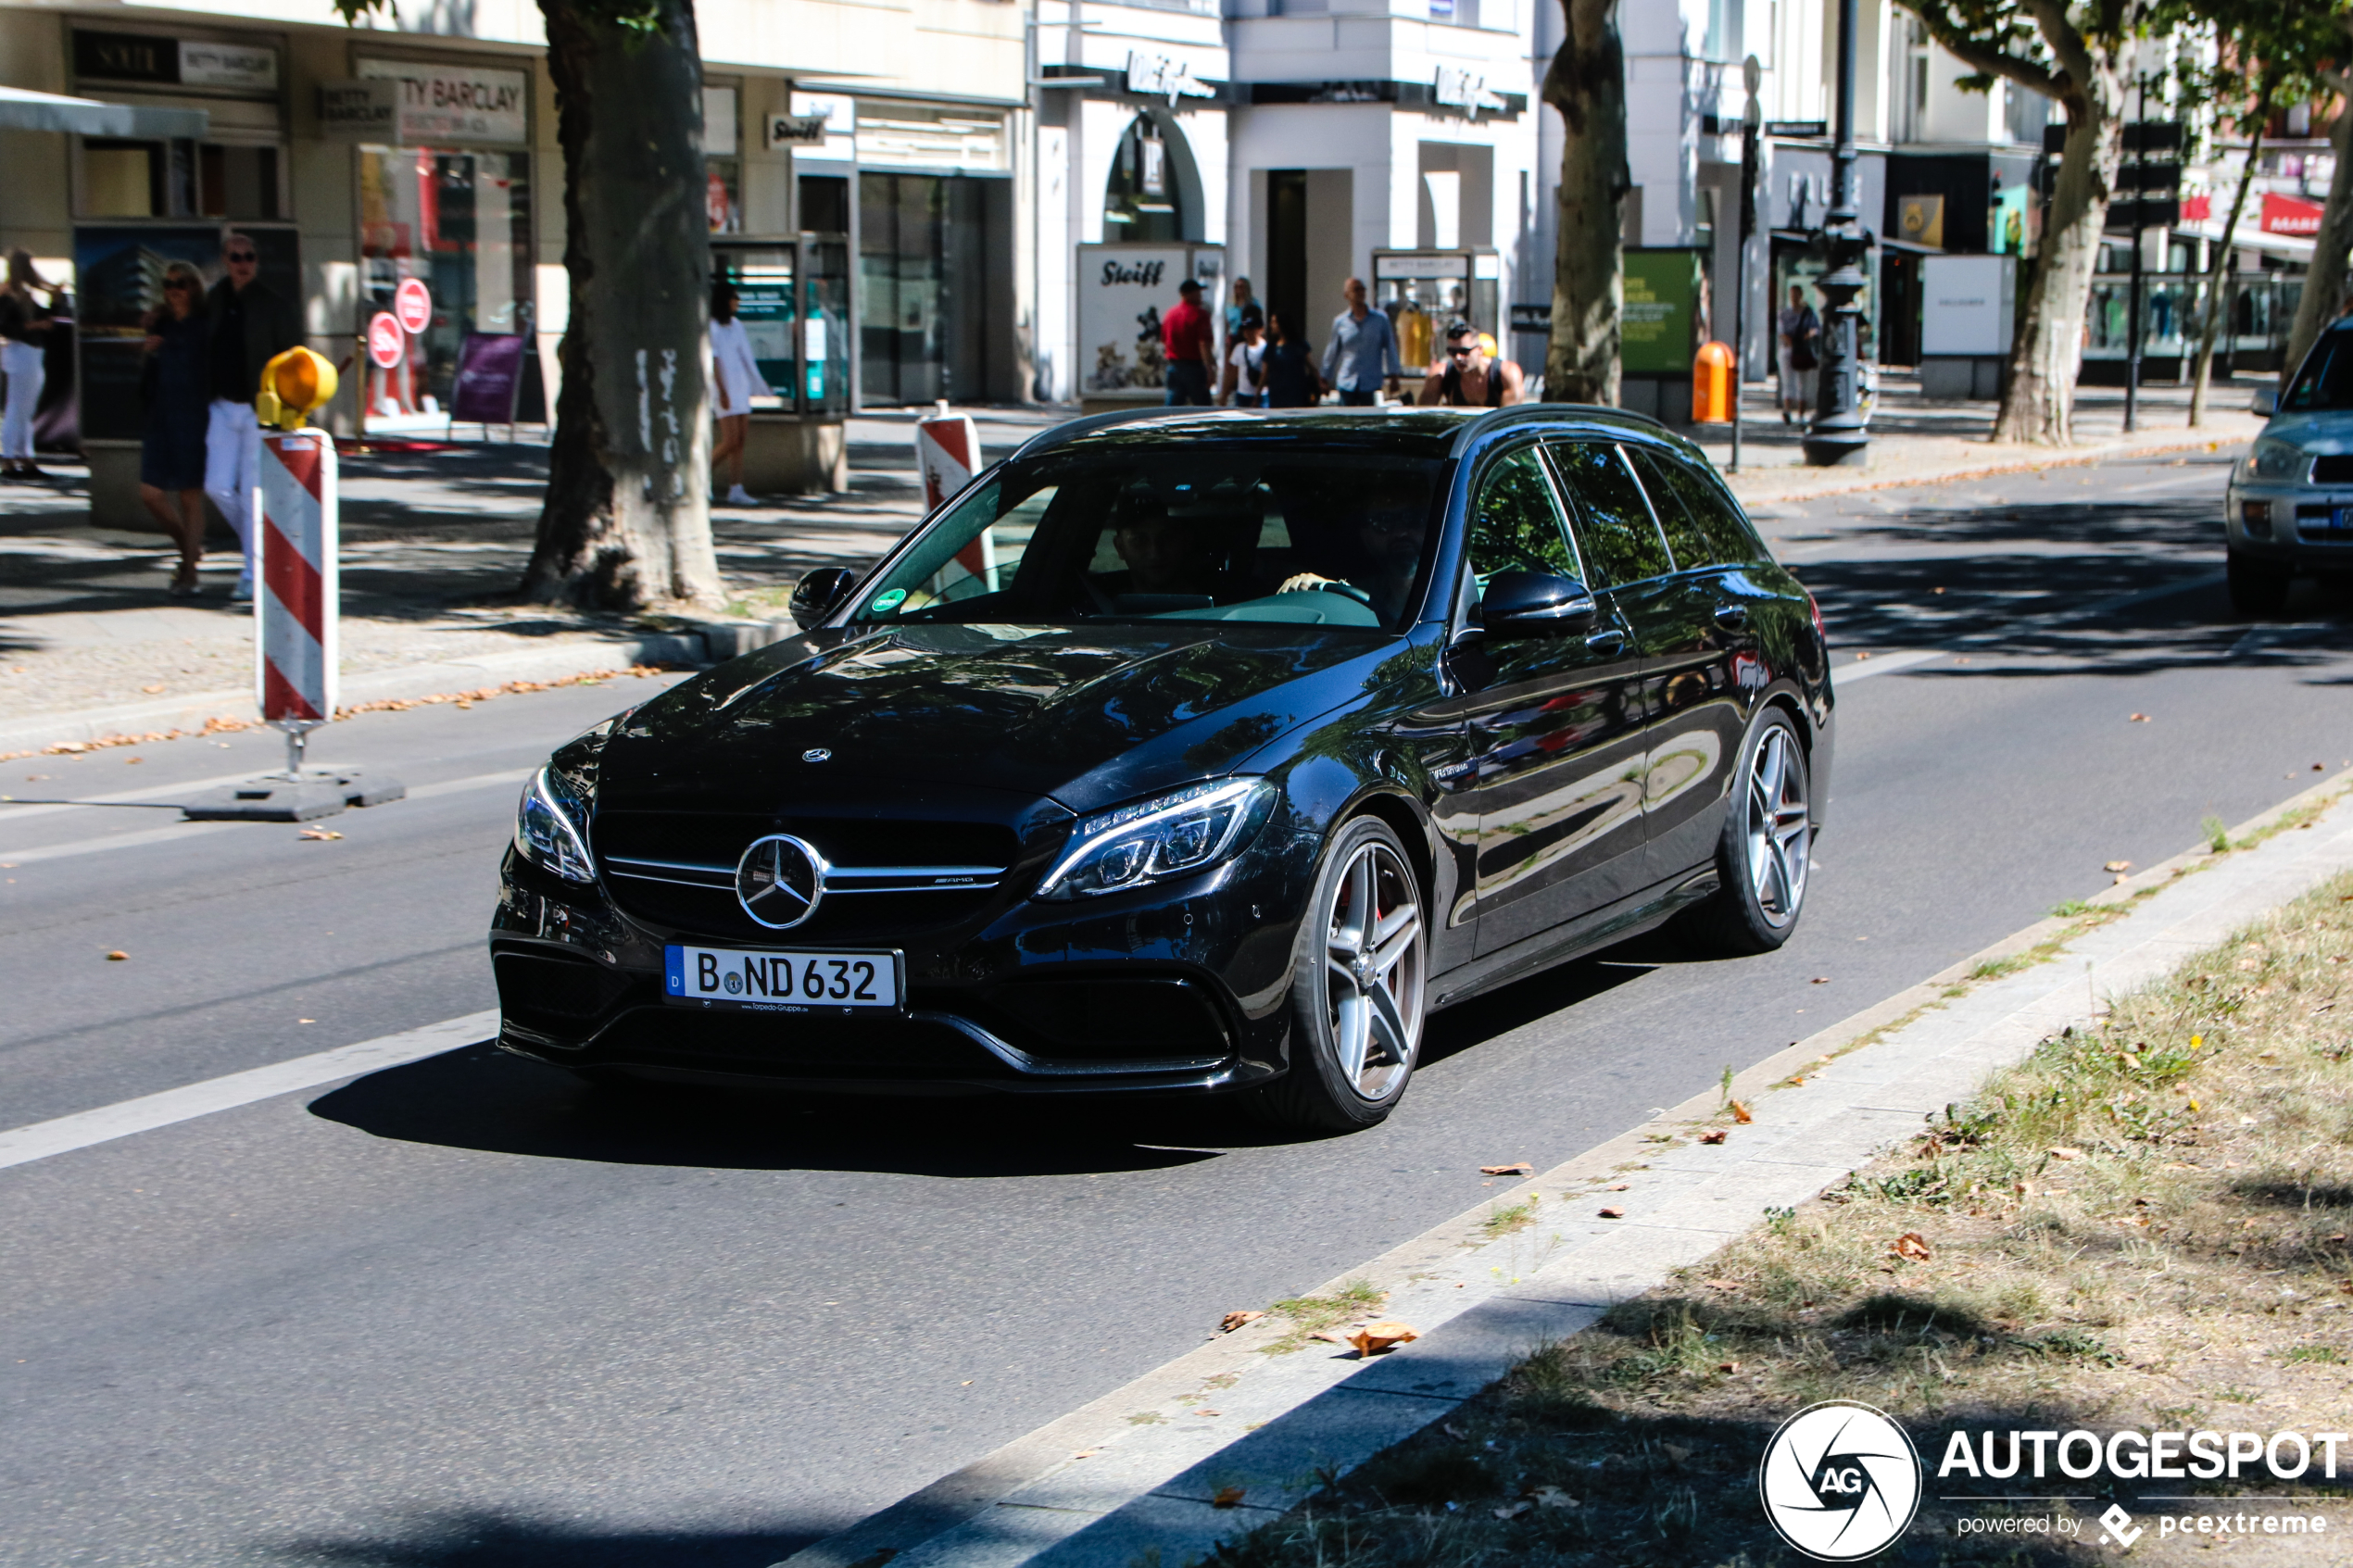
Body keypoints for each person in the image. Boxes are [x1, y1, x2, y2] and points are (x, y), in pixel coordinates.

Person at [204, 232, 302, 603]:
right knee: (217, 486)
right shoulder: (213, 299)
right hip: (221, 404)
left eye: (248, 257)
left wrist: (289, 406)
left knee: (250, 491)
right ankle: (258, 547)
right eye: (235, 258)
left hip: (259, 408)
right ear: (225, 262)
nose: (242, 264)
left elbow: (293, 357)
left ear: (256, 262)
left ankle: (252, 572)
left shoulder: (272, 304)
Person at [140, 262, 212, 597]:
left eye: (181, 283)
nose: (174, 289)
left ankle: (189, 572)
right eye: (168, 283)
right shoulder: (162, 323)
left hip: (194, 416)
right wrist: (149, 351)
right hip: (161, 415)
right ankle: (188, 547)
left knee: (189, 496)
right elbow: (149, 370)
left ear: (194, 287)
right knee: (150, 493)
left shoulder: (204, 324)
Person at [1277, 491, 1428, 624]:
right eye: (1383, 522)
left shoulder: (1449, 595)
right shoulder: (1368, 588)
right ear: (1366, 537)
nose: (1400, 532)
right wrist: (1320, 588)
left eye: (1413, 520)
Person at [709, 280, 767, 506]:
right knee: (730, 440)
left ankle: (736, 488)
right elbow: (713, 360)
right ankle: (701, 477)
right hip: (723, 388)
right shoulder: (712, 326)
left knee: (740, 440)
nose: (738, 302)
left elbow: (747, 357)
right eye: (734, 297)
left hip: (740, 387)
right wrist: (722, 390)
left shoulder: (737, 325)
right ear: (725, 301)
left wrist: (759, 384)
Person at [1, 251, 56, 481]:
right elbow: (5, 326)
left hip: (27, 352)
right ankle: (9, 457)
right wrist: (34, 325)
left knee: (24, 408)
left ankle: (23, 457)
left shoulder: (21, 293)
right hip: (21, 351)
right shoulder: (9, 293)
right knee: (18, 407)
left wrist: (54, 297)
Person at [1322, 277, 1402, 406]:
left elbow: (1390, 348)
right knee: (1347, 422)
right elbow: (1332, 350)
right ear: (1346, 295)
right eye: (1356, 289)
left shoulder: (1380, 320)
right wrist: (1324, 377)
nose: (1360, 293)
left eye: (1362, 289)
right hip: (1347, 383)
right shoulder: (1341, 322)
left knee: (1370, 422)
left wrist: (1394, 376)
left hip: (1371, 383)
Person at [1420, 319, 1525, 408]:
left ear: (1480, 349)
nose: (1458, 357)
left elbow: (1508, 421)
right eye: (1452, 352)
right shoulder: (1440, 375)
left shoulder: (1507, 374)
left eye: (1464, 351)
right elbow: (1422, 418)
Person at [1161, 278, 1216, 406]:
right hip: (1194, 367)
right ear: (1189, 294)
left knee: (1172, 410)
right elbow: (1204, 343)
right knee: (1203, 409)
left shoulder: (1170, 314)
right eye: (1197, 292)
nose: (1200, 296)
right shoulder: (1200, 315)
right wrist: (1209, 368)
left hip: (1175, 366)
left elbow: (1164, 338)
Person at [1778, 283, 1819, 423]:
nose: (1794, 297)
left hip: (1803, 350)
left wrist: (1807, 336)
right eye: (1792, 294)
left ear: (1801, 295)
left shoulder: (1808, 313)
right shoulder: (1785, 313)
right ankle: (1787, 410)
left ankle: (1801, 414)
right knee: (1788, 381)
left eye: (1796, 294)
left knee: (1803, 383)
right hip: (1788, 350)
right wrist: (1790, 342)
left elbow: (1815, 328)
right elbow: (1781, 332)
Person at [1262, 311, 1322, 408]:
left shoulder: (1299, 344)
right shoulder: (1271, 347)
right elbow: (1264, 373)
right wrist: (1257, 396)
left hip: (1297, 394)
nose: (1271, 325)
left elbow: (1311, 366)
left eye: (1274, 322)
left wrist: (1320, 383)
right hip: (1277, 395)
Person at [1221, 307, 1268, 407]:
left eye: (1251, 329)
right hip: (1242, 395)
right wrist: (1224, 394)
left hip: (1262, 395)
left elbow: (1266, 373)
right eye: (1245, 329)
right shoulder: (1239, 347)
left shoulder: (1266, 348)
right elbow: (1232, 373)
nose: (1247, 332)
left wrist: (1257, 396)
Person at [1224, 278, 1258, 342]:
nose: (1238, 289)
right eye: (1236, 287)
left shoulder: (1254, 304)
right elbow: (1227, 324)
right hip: (1234, 337)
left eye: (1241, 287)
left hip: (1249, 337)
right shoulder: (1230, 306)